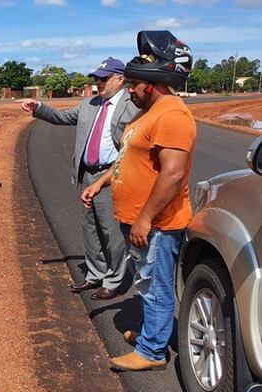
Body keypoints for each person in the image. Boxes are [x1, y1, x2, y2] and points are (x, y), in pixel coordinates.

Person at [81, 30, 195, 371]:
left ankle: (152, 353)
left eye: (134, 84)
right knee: (145, 284)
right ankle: (151, 335)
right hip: (139, 220)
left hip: (157, 224)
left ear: (153, 84)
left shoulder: (172, 114)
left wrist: (145, 219)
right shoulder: (147, 113)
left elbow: (172, 175)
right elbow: (128, 157)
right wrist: (101, 183)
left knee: (156, 288)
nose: (130, 90)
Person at [20, 58, 139, 300]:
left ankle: (113, 280)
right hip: (88, 174)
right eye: (96, 78)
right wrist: (39, 107)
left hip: (112, 176)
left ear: (120, 78)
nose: (98, 83)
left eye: (103, 78)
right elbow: (63, 118)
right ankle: (95, 274)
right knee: (90, 228)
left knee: (111, 231)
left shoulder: (133, 105)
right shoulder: (90, 104)